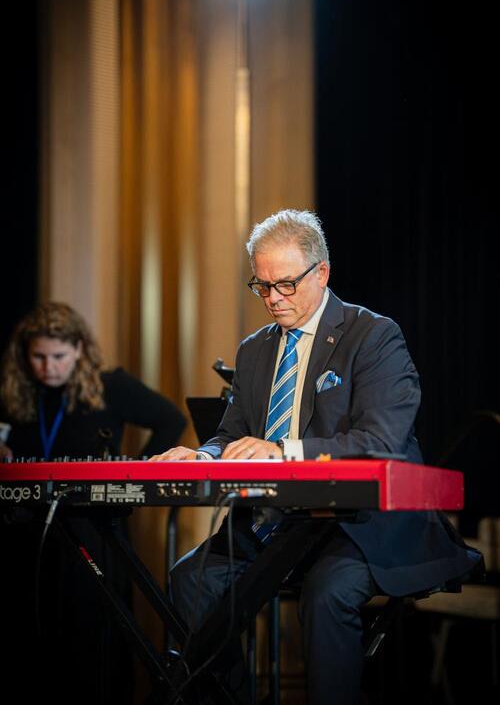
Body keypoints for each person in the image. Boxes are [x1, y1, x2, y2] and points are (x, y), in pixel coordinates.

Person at [151, 209, 481, 704]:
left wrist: (283, 451)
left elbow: (382, 440)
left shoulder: (373, 336)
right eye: (262, 286)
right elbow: (232, 435)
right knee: (190, 580)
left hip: (359, 526)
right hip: (278, 524)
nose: (274, 298)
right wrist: (203, 456)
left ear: (321, 272)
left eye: (286, 284)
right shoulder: (255, 350)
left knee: (327, 593)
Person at [0, 301, 187, 705]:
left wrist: (136, 475)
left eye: (58, 357)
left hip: (95, 533)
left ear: (79, 349)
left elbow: (171, 419)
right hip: (30, 532)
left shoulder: (110, 386)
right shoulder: (19, 393)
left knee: (94, 637)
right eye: (39, 357)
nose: (48, 367)